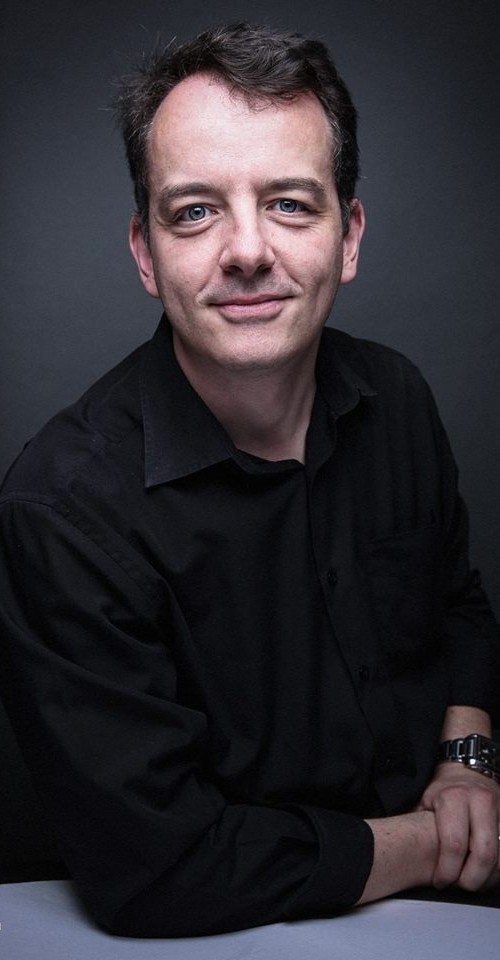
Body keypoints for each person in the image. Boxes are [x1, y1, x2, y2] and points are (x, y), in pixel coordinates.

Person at [0, 22, 499, 938]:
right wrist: (430, 844)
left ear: (349, 237)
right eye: (194, 211)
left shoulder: (397, 397)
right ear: (146, 253)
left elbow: (456, 605)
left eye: (290, 204)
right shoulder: (62, 507)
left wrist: (466, 762)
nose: (246, 250)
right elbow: (159, 868)